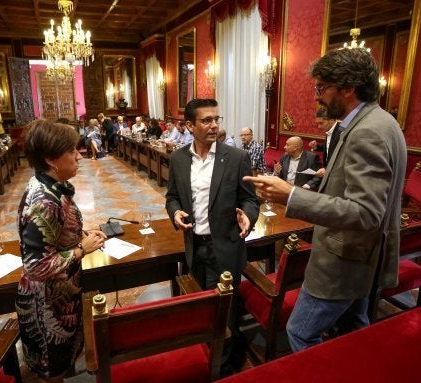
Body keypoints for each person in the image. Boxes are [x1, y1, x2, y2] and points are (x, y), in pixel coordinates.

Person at [244, 48, 407, 352]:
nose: (317, 96)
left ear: (347, 87)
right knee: (354, 331)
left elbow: (366, 212)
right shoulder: (382, 122)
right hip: (364, 257)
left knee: (301, 332)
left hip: (344, 260)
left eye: (322, 88)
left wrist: (291, 195)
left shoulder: (366, 132)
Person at [165, 98, 259, 376]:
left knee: (226, 310)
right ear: (190, 125)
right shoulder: (179, 159)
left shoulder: (237, 158)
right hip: (195, 247)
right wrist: (175, 213)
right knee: (202, 306)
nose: (214, 125)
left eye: (216, 119)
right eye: (206, 120)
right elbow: (171, 197)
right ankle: (206, 355)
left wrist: (248, 216)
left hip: (226, 247)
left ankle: (225, 366)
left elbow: (251, 200)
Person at [16, 119, 106, 382]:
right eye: (72, 151)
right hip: (47, 304)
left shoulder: (52, 187)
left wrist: (78, 234)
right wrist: (81, 248)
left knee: (64, 362)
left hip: (62, 295)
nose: (79, 155)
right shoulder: (44, 201)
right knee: (53, 370)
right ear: (51, 159)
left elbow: (53, 236)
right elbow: (35, 267)